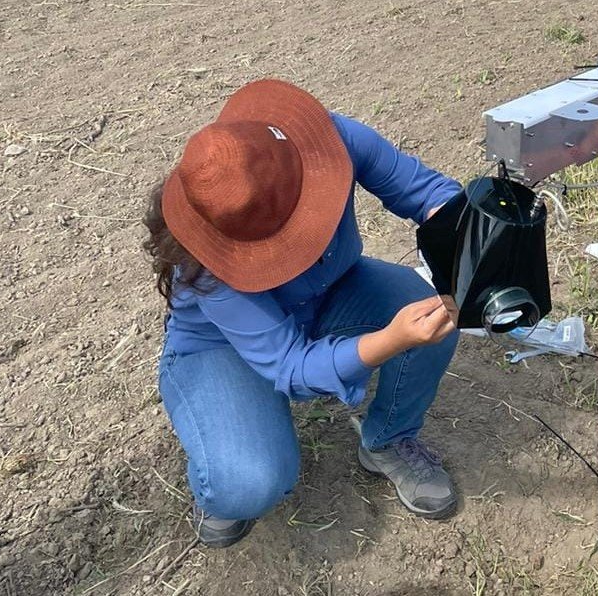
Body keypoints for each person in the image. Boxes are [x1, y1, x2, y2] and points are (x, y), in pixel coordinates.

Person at [142, 79, 463, 548]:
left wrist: (468, 233)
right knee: (249, 483)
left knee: (430, 305)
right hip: (223, 346)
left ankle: (388, 441)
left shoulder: (332, 141)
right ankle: (223, 480)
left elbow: (428, 193)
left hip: (332, 293)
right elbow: (291, 366)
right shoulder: (204, 259)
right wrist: (392, 340)